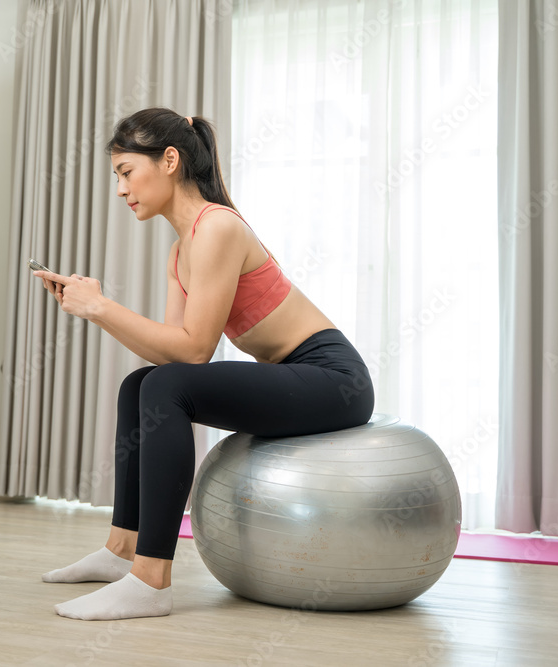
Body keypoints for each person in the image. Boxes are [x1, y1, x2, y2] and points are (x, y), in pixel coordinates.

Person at [32, 107, 374, 621]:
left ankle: (150, 581)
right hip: (297, 375)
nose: (121, 189)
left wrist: (102, 307)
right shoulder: (180, 251)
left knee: (165, 386)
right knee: (140, 384)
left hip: (334, 378)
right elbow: (171, 350)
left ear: (169, 160)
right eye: (117, 178)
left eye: (126, 172)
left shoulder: (218, 228)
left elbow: (194, 352)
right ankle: (121, 548)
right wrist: (95, 311)